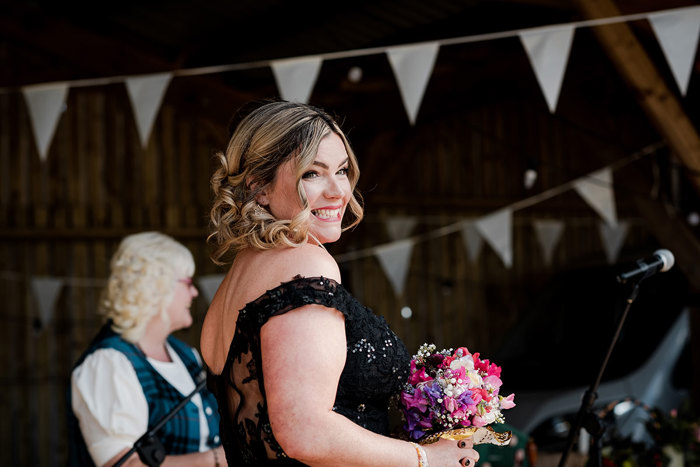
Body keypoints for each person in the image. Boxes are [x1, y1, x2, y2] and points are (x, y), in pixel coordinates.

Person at [201, 100, 480, 466]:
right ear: (259, 187)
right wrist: (426, 458)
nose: (338, 191)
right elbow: (306, 430)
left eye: (343, 170)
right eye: (312, 174)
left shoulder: (235, 282)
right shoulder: (305, 262)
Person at [68, 231, 227, 467]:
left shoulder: (186, 355)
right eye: (188, 282)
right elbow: (127, 465)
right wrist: (215, 459)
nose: (194, 293)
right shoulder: (108, 364)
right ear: (155, 286)